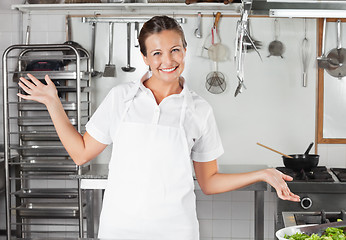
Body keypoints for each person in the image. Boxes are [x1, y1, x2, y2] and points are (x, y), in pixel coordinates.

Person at [17, 15, 300, 240]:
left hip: (176, 231)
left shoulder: (199, 110)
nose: (167, 61)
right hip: (120, 230)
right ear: (144, 57)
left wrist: (262, 174)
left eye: (175, 50)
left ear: (185, 50)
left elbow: (209, 181)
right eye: (157, 53)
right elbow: (80, 154)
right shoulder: (121, 98)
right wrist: (53, 103)